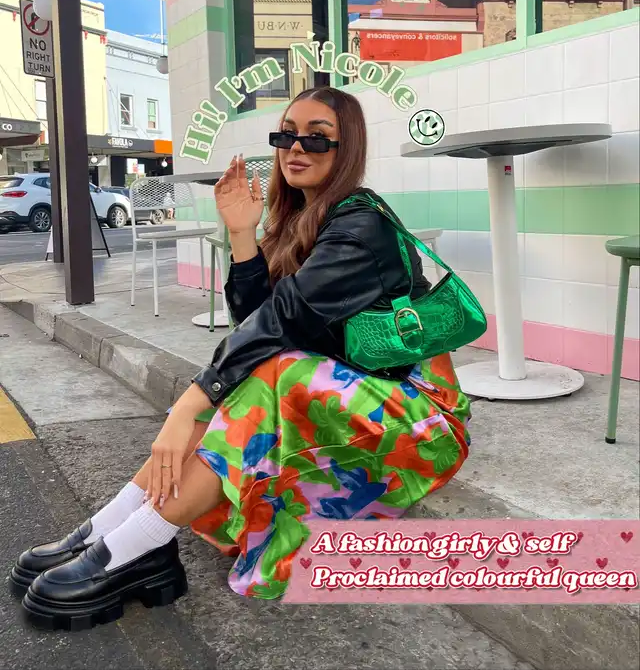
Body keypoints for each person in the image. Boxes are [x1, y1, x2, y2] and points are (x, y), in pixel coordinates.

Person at [11, 86, 471, 628]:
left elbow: (280, 323)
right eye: (286, 135)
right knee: (261, 371)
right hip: (354, 391)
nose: (295, 148)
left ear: (347, 148)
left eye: (317, 138)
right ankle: (116, 529)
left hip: (420, 415)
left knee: (272, 371)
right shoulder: (306, 216)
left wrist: (189, 406)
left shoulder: (359, 226)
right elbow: (258, 320)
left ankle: (141, 541)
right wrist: (241, 234)